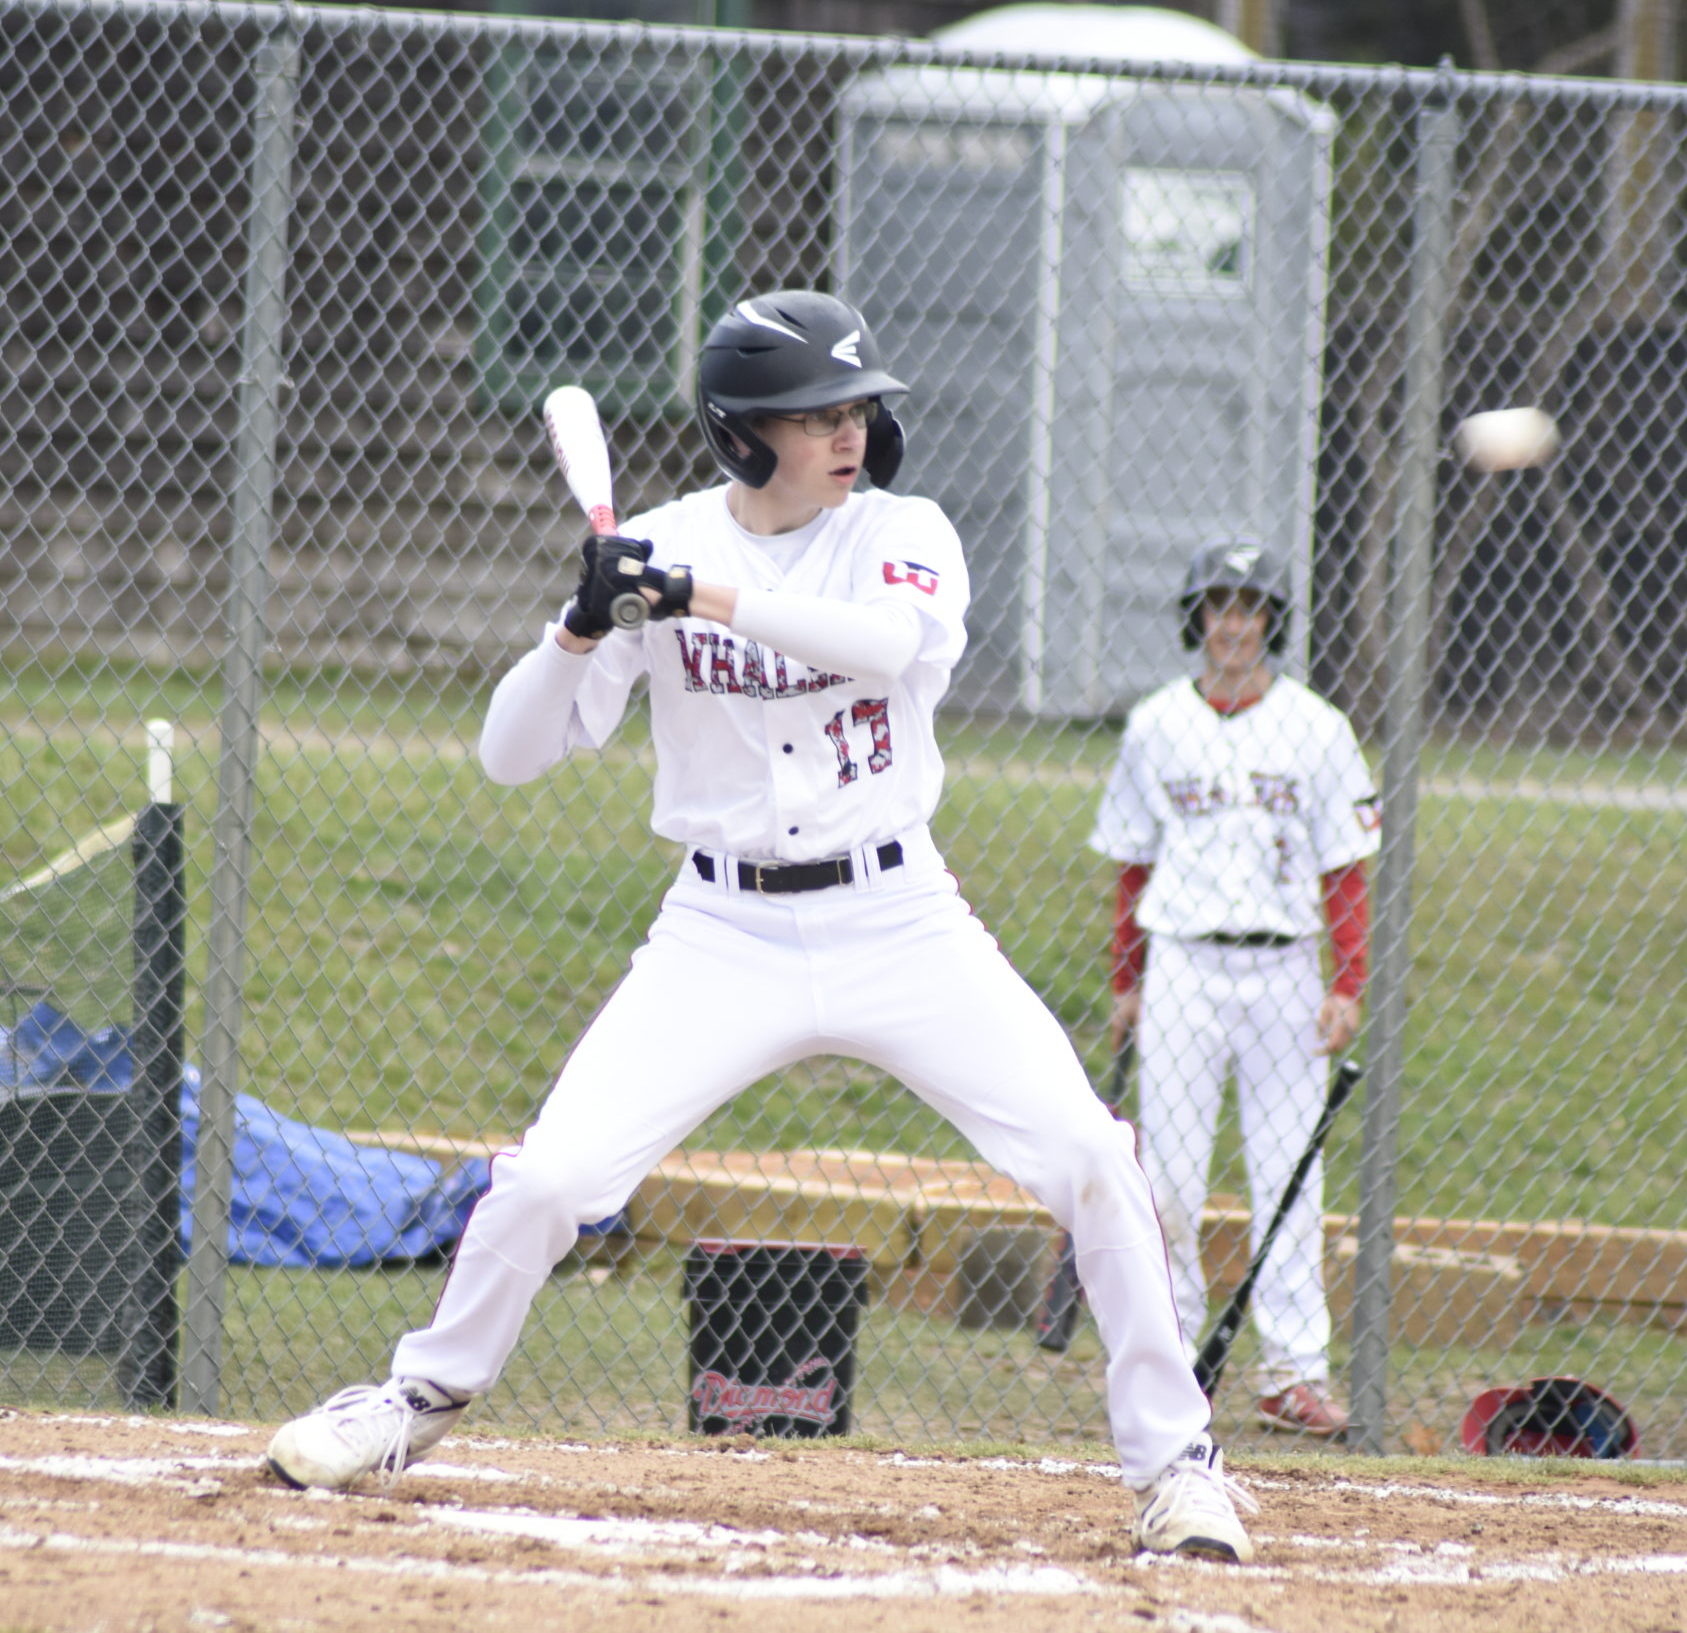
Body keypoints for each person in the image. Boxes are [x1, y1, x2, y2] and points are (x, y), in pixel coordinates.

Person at [266, 290, 1255, 1563]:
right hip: (719, 932)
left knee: (1090, 1156)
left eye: (855, 410)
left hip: (898, 915)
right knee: (552, 1180)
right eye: (813, 416)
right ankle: (414, 1399)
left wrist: (698, 595)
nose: (847, 435)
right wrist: (580, 625)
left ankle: (1178, 1467)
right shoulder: (661, 548)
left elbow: (886, 641)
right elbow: (510, 755)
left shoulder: (904, 533)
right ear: (745, 438)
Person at [1089, 543, 1379, 1441]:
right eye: (1217, 604)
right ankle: (1171, 1359)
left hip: (1286, 970)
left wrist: (1347, 982)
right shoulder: (1155, 724)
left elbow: (1345, 870)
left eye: (1251, 606)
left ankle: (1292, 1371)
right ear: (1196, 618)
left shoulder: (1319, 728)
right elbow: (1134, 865)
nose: (1234, 623)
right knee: (1168, 1175)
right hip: (1182, 964)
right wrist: (1127, 980)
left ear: (1273, 621)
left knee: (1289, 1172)